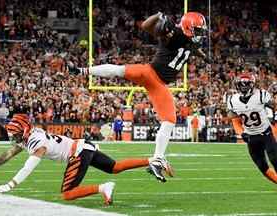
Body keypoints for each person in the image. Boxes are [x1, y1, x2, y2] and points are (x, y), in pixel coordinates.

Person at [69, 12, 208, 182]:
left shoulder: (192, 40)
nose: (200, 34)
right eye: (198, 30)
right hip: (150, 73)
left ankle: (157, 160)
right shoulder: (174, 34)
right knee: (119, 71)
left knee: (169, 120)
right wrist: (158, 16)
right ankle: (82, 70)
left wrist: (204, 56)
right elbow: (146, 27)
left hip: (159, 84)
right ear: (187, 27)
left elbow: (192, 48)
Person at [0, 114, 150, 205]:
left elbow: (28, 167)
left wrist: (11, 184)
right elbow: (8, 154)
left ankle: (104, 187)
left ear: (24, 131)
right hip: (83, 146)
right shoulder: (30, 136)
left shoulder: (36, 142)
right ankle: (151, 160)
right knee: (115, 167)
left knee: (67, 194)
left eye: (16, 134)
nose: (14, 138)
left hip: (78, 153)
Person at [227, 73, 277, 184]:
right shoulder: (233, 100)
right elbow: (235, 120)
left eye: (246, 84)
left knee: (275, 160)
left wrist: (271, 115)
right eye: (241, 84)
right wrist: (242, 132)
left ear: (252, 85)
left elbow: (273, 106)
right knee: (262, 167)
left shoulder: (261, 95)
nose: (243, 87)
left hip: (266, 134)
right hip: (251, 138)